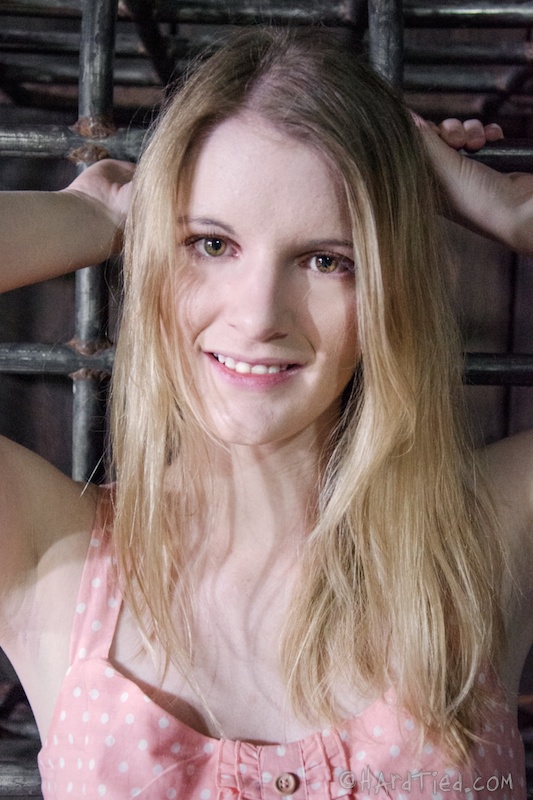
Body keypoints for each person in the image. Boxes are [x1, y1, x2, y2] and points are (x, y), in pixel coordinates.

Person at [0, 25, 531, 800]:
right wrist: (95, 216)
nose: (258, 317)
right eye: (211, 245)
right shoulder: (50, 549)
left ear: (387, 288)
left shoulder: (483, 537)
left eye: (325, 259)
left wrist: (505, 206)